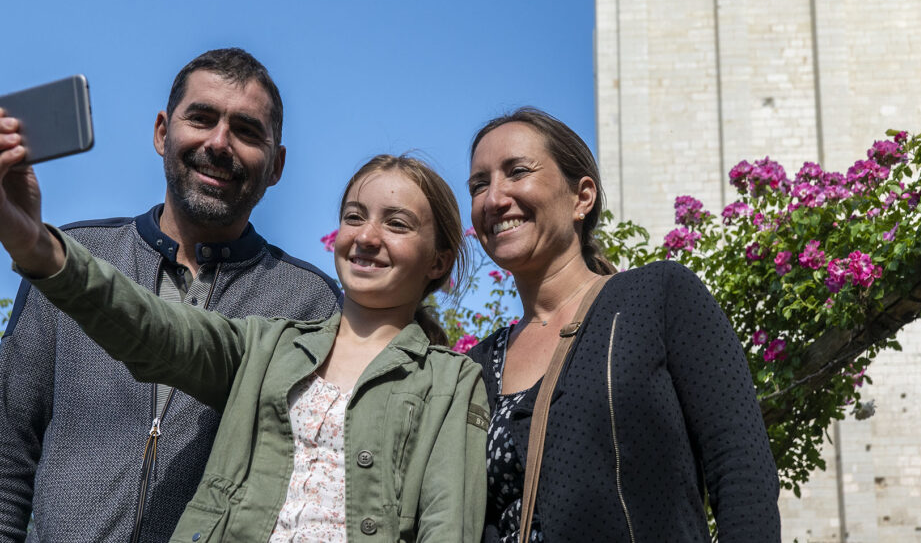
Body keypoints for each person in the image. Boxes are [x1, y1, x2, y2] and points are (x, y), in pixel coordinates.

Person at [0, 134, 489, 542]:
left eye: (397, 223)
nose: (366, 236)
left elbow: (448, 526)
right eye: (355, 216)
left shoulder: (451, 380)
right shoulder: (266, 347)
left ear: (439, 260)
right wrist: (41, 250)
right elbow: (153, 330)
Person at [0, 49, 340, 543]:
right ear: (163, 132)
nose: (219, 143)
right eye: (201, 118)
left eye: (246, 131)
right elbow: (7, 452)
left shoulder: (311, 304)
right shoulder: (66, 259)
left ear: (277, 165)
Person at [464, 107, 781, 542]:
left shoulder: (658, 297)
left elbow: (742, 469)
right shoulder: (476, 366)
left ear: (582, 197)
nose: (494, 197)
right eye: (479, 184)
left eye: (517, 171)